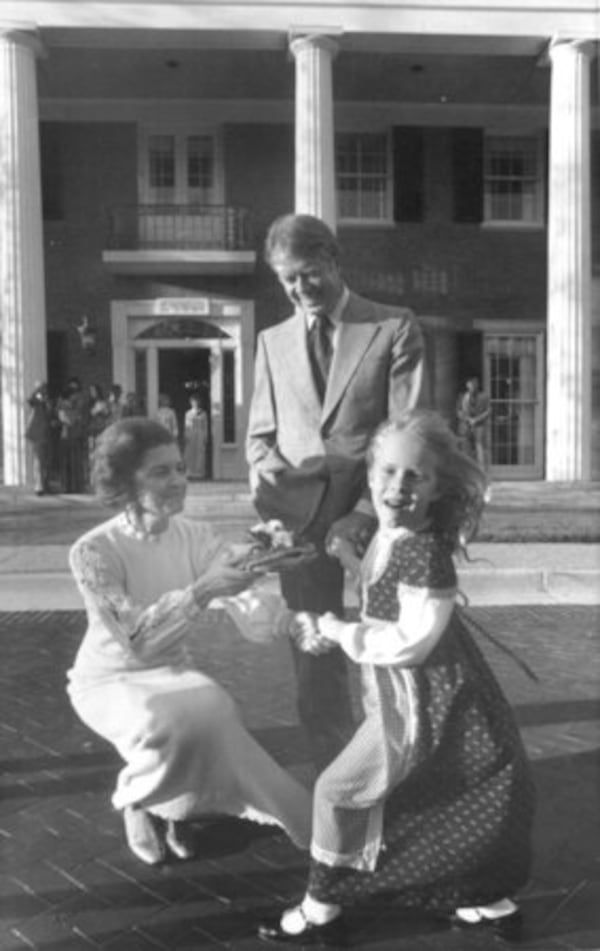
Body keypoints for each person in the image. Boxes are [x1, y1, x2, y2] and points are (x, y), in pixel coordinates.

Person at [258, 410, 534, 946]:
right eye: (387, 471)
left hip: (429, 702)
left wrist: (338, 631)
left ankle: (321, 910)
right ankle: (488, 900)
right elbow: (378, 586)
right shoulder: (391, 535)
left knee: (338, 791)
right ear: (369, 475)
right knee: (438, 797)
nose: (398, 485)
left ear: (437, 488)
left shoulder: (425, 553)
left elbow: (411, 643)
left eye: (416, 475)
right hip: (405, 694)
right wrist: (340, 562)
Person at [66, 417, 311, 866]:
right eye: (160, 472)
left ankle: (174, 806)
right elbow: (137, 639)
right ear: (125, 480)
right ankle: (136, 802)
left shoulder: (195, 535)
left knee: (213, 706)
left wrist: (287, 616)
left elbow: (241, 590)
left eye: (180, 468)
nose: (179, 481)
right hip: (107, 677)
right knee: (166, 720)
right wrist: (203, 591)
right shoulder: (92, 550)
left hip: (171, 667)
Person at [246, 213, 425, 769]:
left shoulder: (393, 327)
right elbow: (259, 439)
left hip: (378, 517)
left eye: (308, 274)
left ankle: (403, 754)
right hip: (299, 524)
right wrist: (276, 509)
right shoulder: (271, 342)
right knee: (313, 650)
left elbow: (408, 435)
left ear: (333, 260)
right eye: (288, 281)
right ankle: (336, 769)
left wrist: (369, 512)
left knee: (394, 641)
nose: (300, 290)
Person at [57, 376, 87, 493]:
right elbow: (68, 420)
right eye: (73, 394)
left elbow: (79, 418)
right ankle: (67, 486)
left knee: (75, 461)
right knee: (67, 461)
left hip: (75, 435)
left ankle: (76, 486)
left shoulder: (76, 406)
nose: (75, 396)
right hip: (67, 436)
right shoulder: (64, 407)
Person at [456, 376, 491, 472]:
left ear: (477, 385)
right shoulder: (462, 396)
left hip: (479, 426)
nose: (472, 386)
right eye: (470, 384)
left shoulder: (484, 397)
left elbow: (488, 411)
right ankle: (467, 471)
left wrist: (477, 419)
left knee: (480, 448)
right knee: (465, 448)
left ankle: (482, 471)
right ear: (467, 385)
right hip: (466, 426)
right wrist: (468, 419)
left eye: (474, 384)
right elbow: (458, 411)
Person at [25, 381, 53, 495]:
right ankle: (39, 486)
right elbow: (30, 400)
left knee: (45, 461)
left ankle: (45, 485)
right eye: (43, 389)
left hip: (46, 434)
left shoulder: (46, 402)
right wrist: (37, 390)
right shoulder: (36, 401)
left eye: (45, 389)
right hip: (37, 435)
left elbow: (50, 414)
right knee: (39, 461)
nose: (44, 391)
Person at [183, 392, 209, 479]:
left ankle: (199, 472)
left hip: (200, 433)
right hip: (191, 433)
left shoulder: (203, 413)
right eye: (193, 401)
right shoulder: (188, 413)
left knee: (200, 452)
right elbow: (186, 425)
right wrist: (186, 435)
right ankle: (190, 471)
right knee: (190, 453)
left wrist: (205, 435)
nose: (195, 403)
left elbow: (205, 425)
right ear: (191, 402)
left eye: (196, 401)